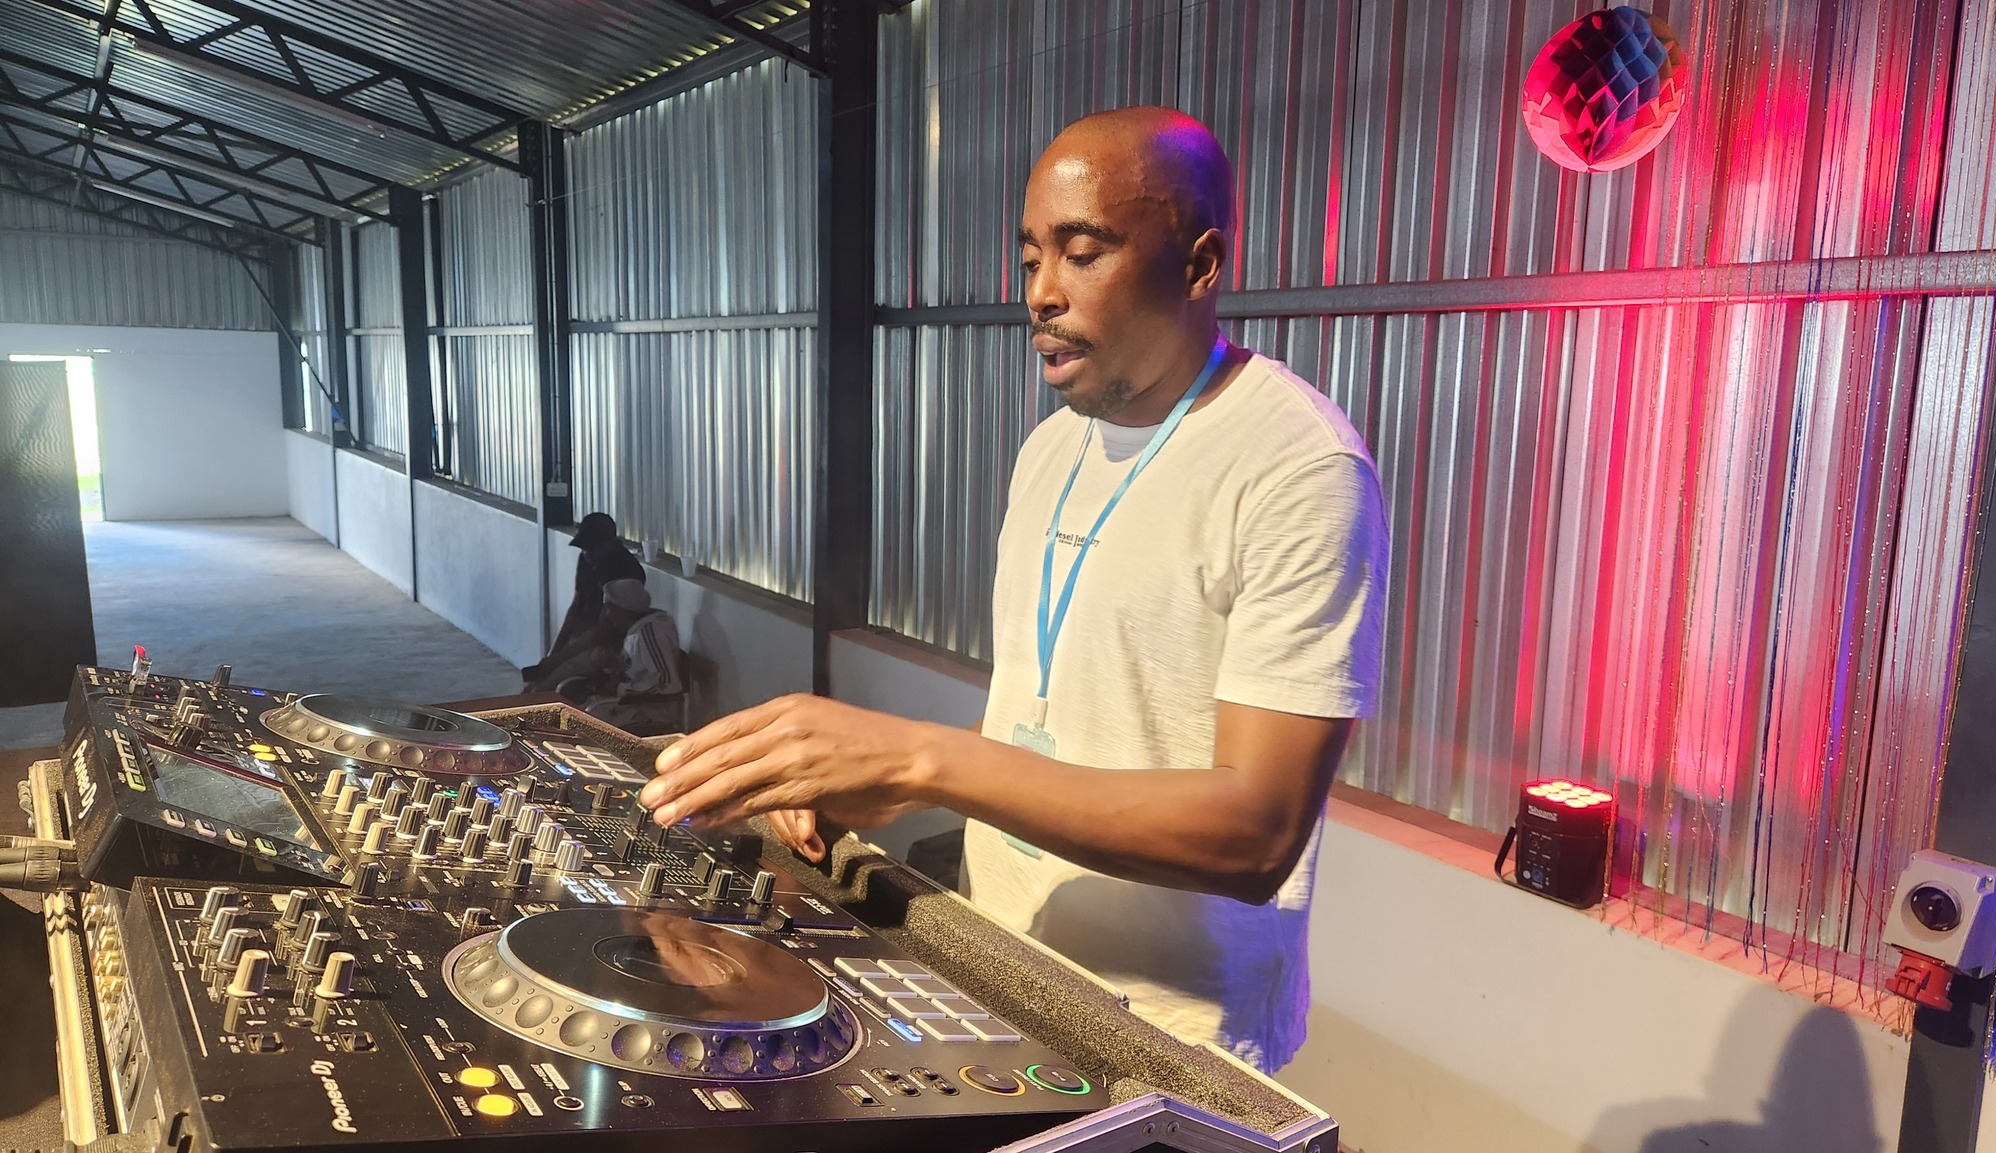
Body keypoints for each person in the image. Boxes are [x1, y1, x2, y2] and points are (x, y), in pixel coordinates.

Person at [637, 106, 1388, 1072]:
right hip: (1002, 963)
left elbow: (1256, 833)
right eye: (1031, 257)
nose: (1040, 292)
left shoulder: (1298, 468)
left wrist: (917, 759)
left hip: (1170, 1036)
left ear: (1200, 265)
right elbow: (1049, 723)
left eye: (1083, 253)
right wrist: (862, 782)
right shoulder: (1051, 447)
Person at [537, 578, 686, 734]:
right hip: (629, 701)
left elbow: (667, 684)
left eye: (609, 608)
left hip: (652, 711)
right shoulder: (636, 630)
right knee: (565, 706)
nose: (607, 614)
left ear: (623, 610)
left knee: (584, 719)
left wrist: (620, 688)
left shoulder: (652, 632)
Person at [524, 511, 645, 687]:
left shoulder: (626, 570)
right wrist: (552, 655)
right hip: (581, 640)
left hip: (608, 647)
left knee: (545, 687)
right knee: (536, 682)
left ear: (610, 544)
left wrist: (557, 660)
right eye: (583, 548)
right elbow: (574, 608)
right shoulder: (587, 559)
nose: (586, 553)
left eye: (591, 548)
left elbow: (602, 629)